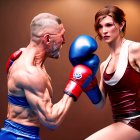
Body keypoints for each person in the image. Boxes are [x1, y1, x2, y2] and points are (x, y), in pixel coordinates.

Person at [0, 13, 100, 140]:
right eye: (61, 36)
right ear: (47, 39)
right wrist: (75, 84)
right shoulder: (30, 72)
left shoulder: (22, 55)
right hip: (19, 137)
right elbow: (51, 120)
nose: (64, 40)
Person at [85, 5, 140, 140]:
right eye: (100, 26)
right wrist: (87, 82)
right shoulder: (104, 65)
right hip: (120, 123)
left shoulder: (135, 49)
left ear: (121, 24)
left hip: (136, 121)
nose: (104, 31)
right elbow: (100, 104)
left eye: (109, 25)